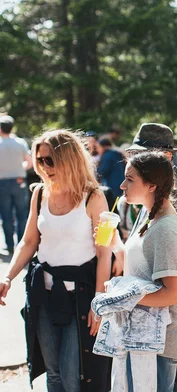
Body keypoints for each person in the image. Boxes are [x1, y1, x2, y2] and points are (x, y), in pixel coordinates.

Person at [0, 129, 112, 391]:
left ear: (69, 158)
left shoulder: (94, 197)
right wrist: (8, 276)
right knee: (52, 373)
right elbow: (29, 242)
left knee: (73, 372)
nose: (44, 167)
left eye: (50, 160)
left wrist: (99, 302)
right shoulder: (39, 194)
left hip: (80, 297)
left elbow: (104, 252)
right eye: (40, 160)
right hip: (44, 294)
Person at [105, 151, 177, 391]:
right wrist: (116, 245)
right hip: (142, 335)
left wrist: (121, 300)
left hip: (160, 341)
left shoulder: (165, 229)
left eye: (130, 179)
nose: (122, 185)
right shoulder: (148, 214)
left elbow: (173, 294)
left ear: (152, 185)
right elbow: (139, 268)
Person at [126, 123, 177, 392]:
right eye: (134, 154)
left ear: (167, 157)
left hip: (170, 313)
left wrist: (132, 295)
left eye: (143, 154)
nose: (136, 160)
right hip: (154, 314)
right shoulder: (148, 195)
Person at [0, 115, 33, 255]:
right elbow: (30, 162)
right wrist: (20, 168)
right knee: (22, 214)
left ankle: (9, 245)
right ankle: (22, 244)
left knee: (6, 215)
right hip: (19, 181)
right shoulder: (20, 143)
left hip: (2, 182)